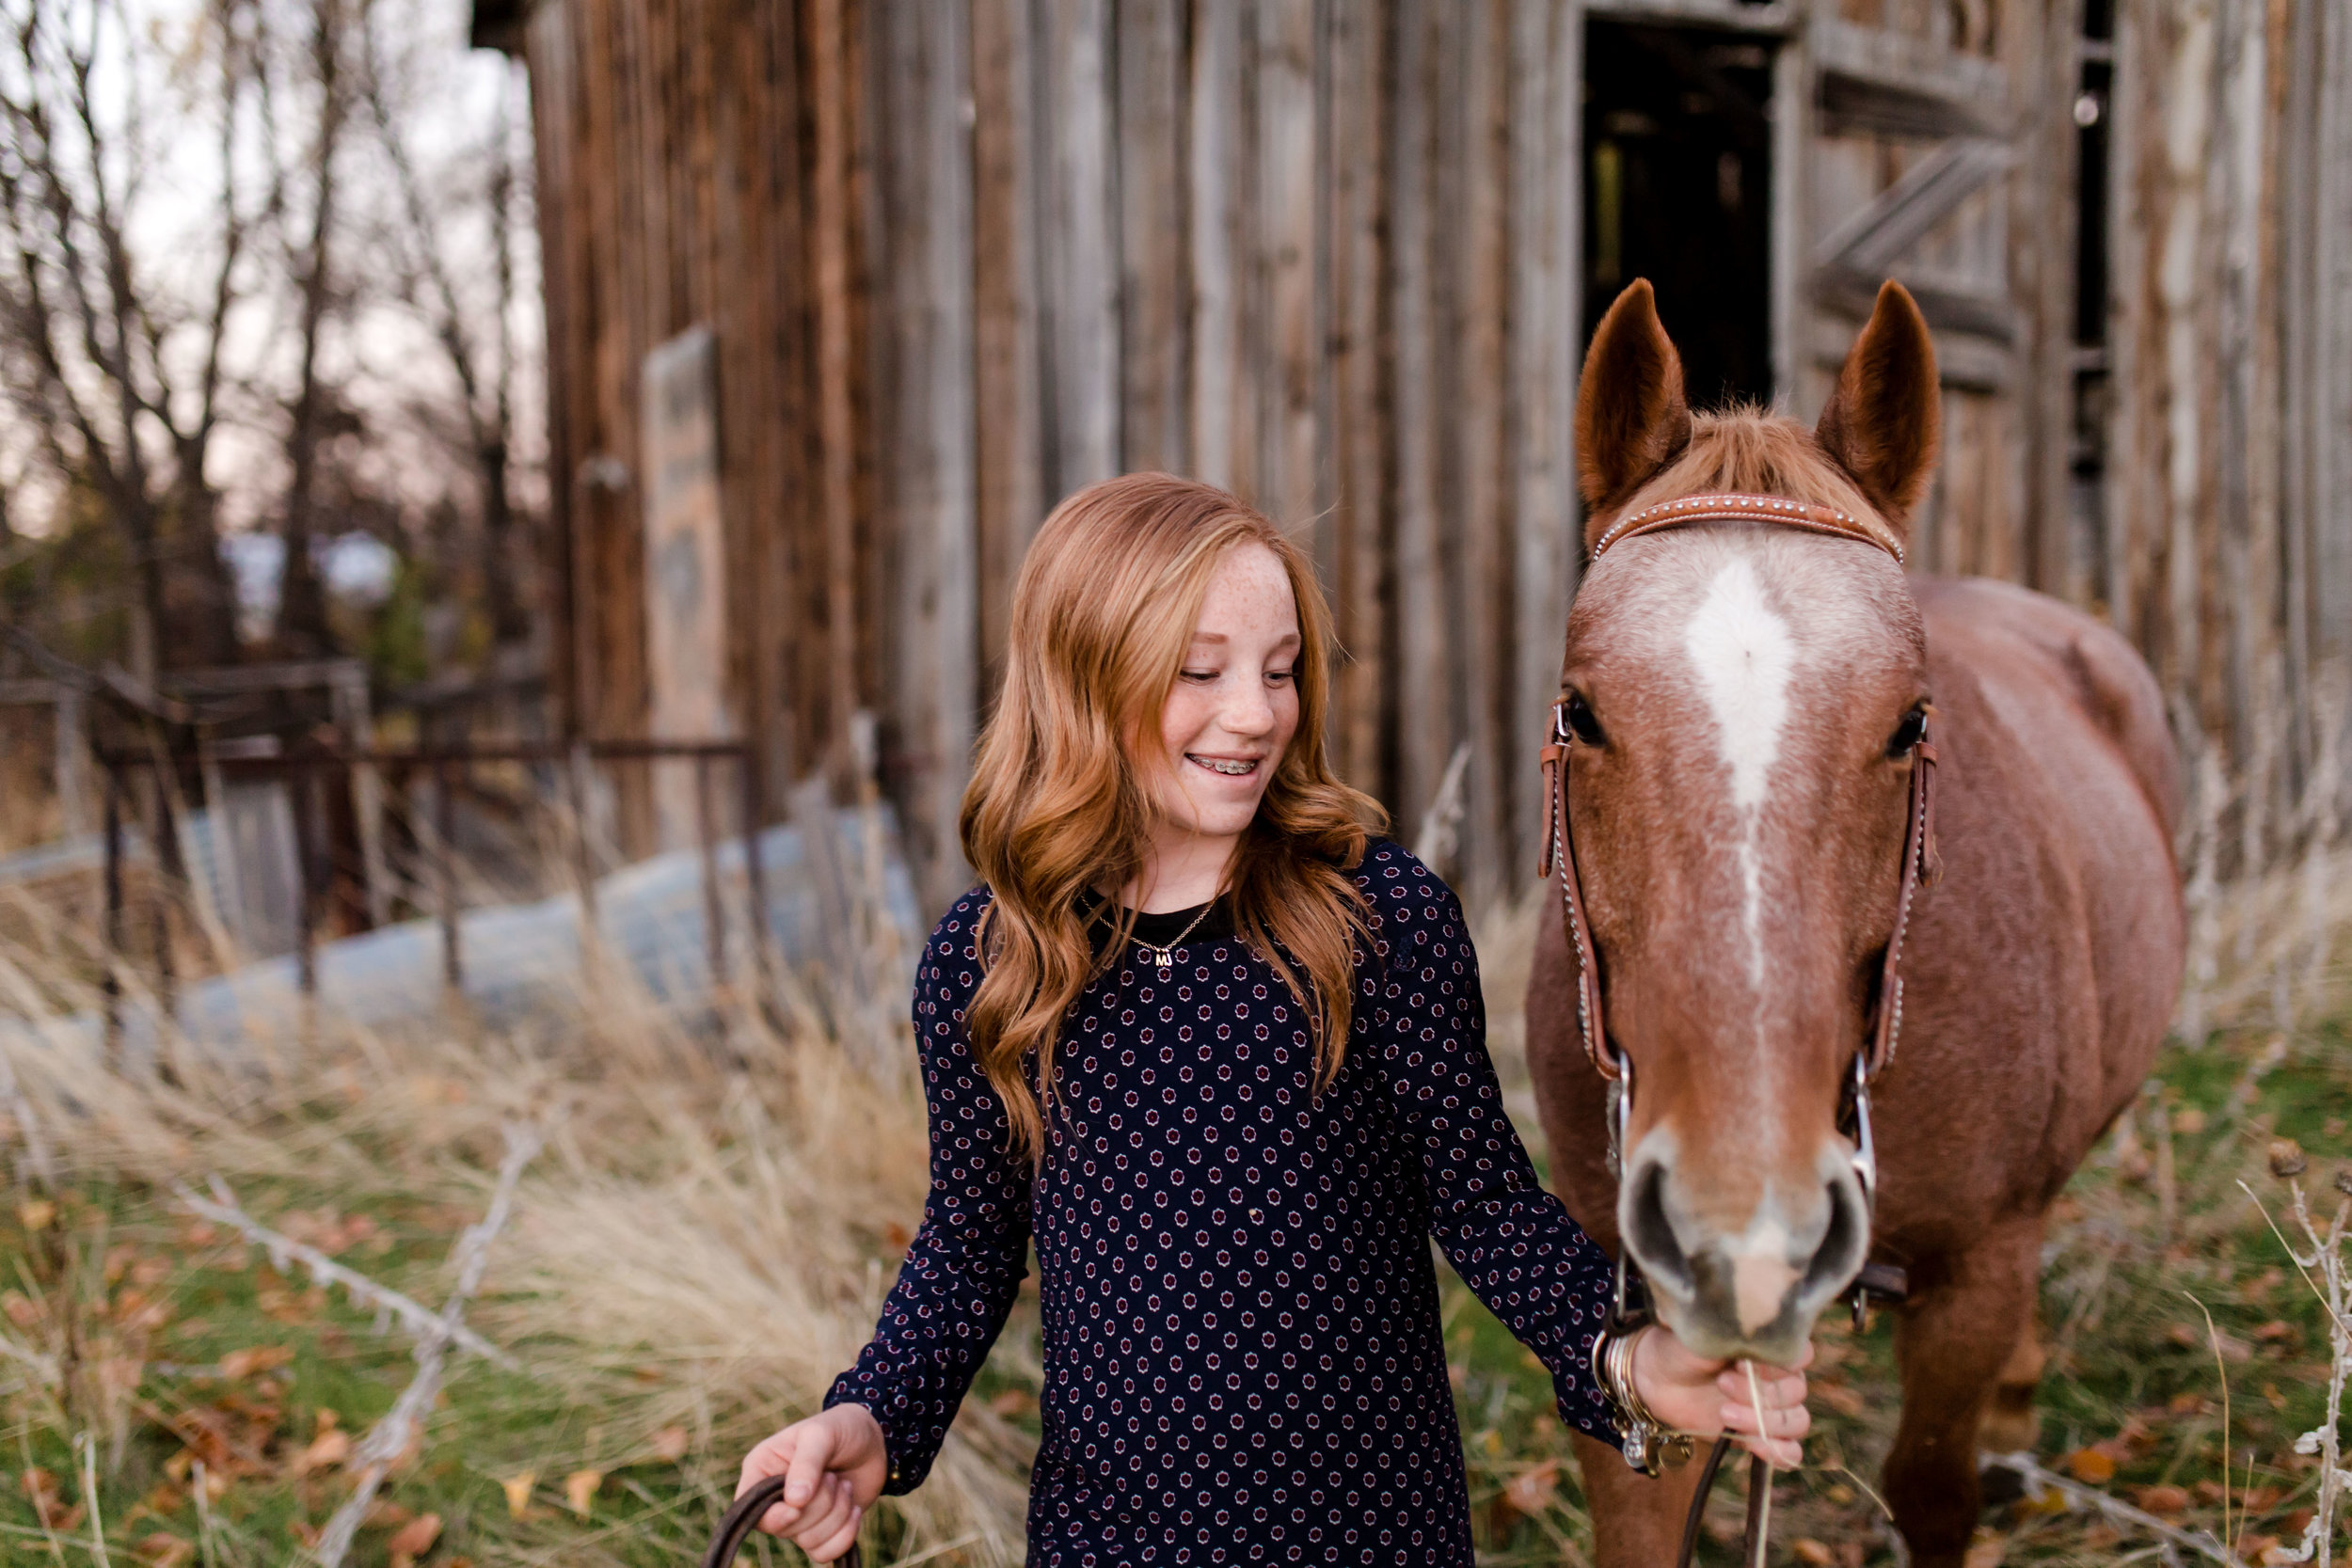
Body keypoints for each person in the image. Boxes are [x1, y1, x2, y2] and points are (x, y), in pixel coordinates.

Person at [734, 474, 1810, 1564]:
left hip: (1370, 1533)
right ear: (1080, 676)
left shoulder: (1374, 921)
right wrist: (868, 1414)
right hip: (1109, 1541)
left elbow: (1485, 1205)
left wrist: (1629, 1359)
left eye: (1281, 668)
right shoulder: (995, 966)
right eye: (1199, 670)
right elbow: (967, 1252)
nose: (1254, 711)